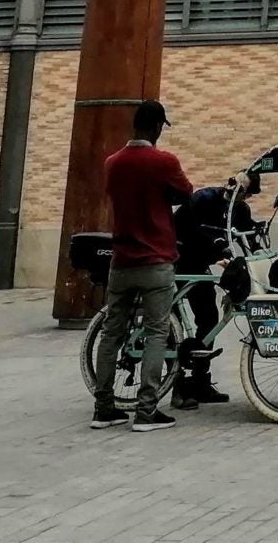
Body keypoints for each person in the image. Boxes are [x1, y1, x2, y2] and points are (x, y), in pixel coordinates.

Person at [90, 98, 191, 431]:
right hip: (156, 261)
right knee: (156, 332)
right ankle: (145, 411)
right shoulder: (163, 161)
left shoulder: (112, 163)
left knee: (111, 334)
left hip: (120, 261)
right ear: (158, 126)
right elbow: (185, 193)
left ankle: (104, 408)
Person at [169, 178, 247, 407]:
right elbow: (198, 229)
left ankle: (200, 381)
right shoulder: (205, 198)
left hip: (198, 263)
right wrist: (217, 244)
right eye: (239, 190)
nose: (241, 197)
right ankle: (177, 387)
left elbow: (244, 235)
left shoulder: (239, 209)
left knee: (209, 318)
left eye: (246, 194)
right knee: (172, 324)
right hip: (178, 258)